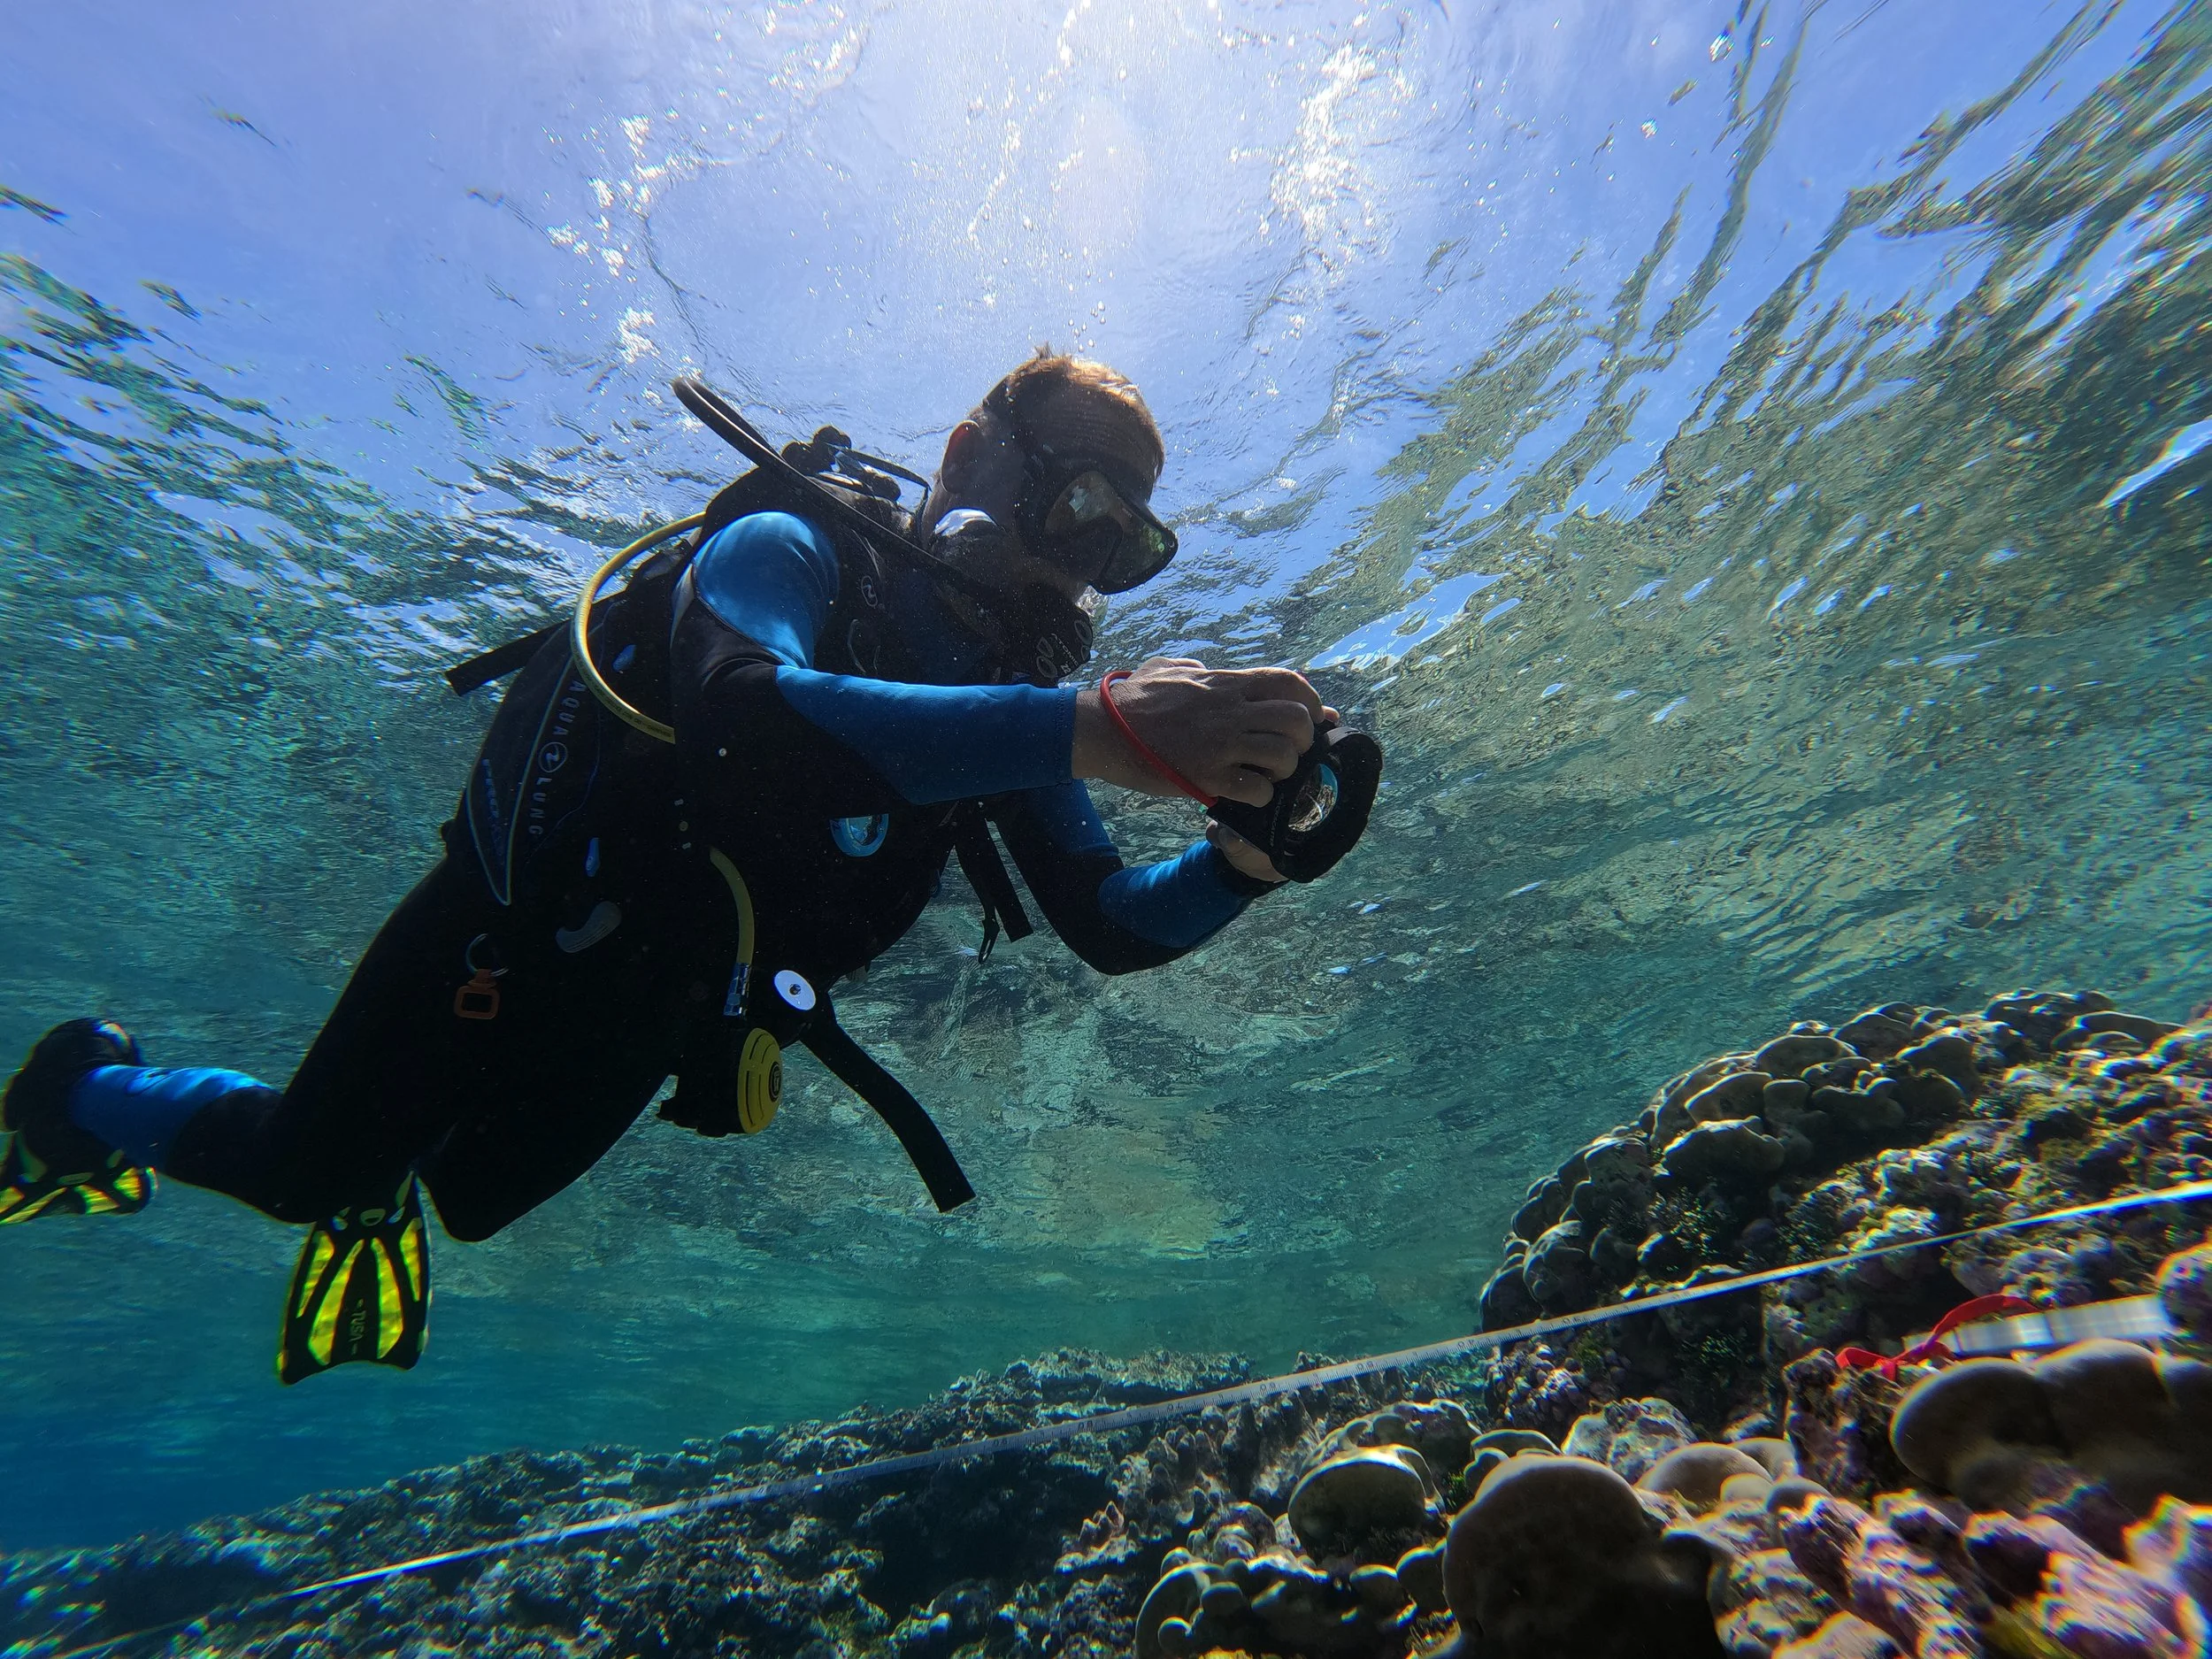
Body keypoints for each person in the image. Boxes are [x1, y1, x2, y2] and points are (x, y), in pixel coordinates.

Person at [0, 350, 1358, 1380]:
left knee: (470, 1202)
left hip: (659, 1014)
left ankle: (373, 1181)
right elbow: (741, 716)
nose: (1083, 568)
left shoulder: (1011, 699)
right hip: (513, 939)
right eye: (1077, 504)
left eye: (1125, 545)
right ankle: (77, 1089)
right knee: (311, 1164)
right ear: (969, 451)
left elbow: (1109, 921)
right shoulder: (795, 544)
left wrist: (1243, 862)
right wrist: (1096, 727)